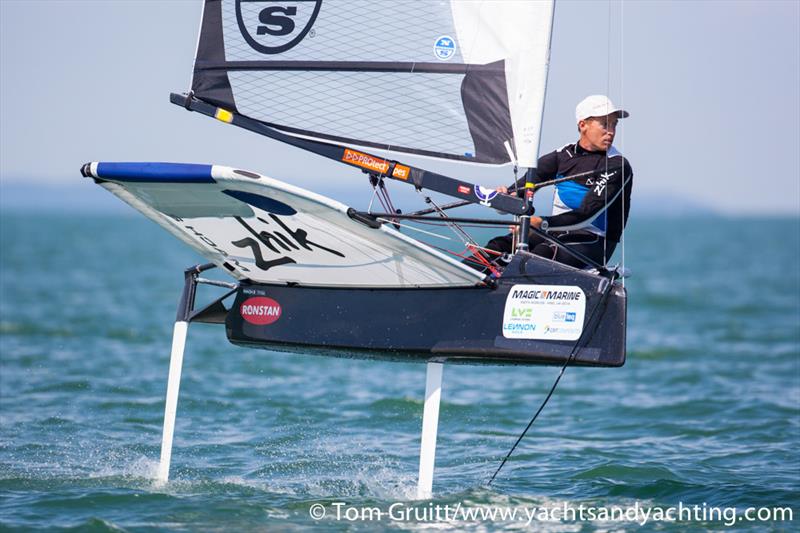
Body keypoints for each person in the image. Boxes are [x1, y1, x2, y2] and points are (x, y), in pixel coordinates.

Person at [481, 95, 633, 270]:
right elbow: (521, 190)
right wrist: (504, 199)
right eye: (605, 124)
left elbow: (587, 214)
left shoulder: (617, 164)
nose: (611, 131)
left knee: (542, 253)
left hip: (594, 240)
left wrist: (541, 223)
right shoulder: (562, 156)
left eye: (614, 124)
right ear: (583, 125)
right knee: (498, 247)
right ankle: (455, 283)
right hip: (554, 232)